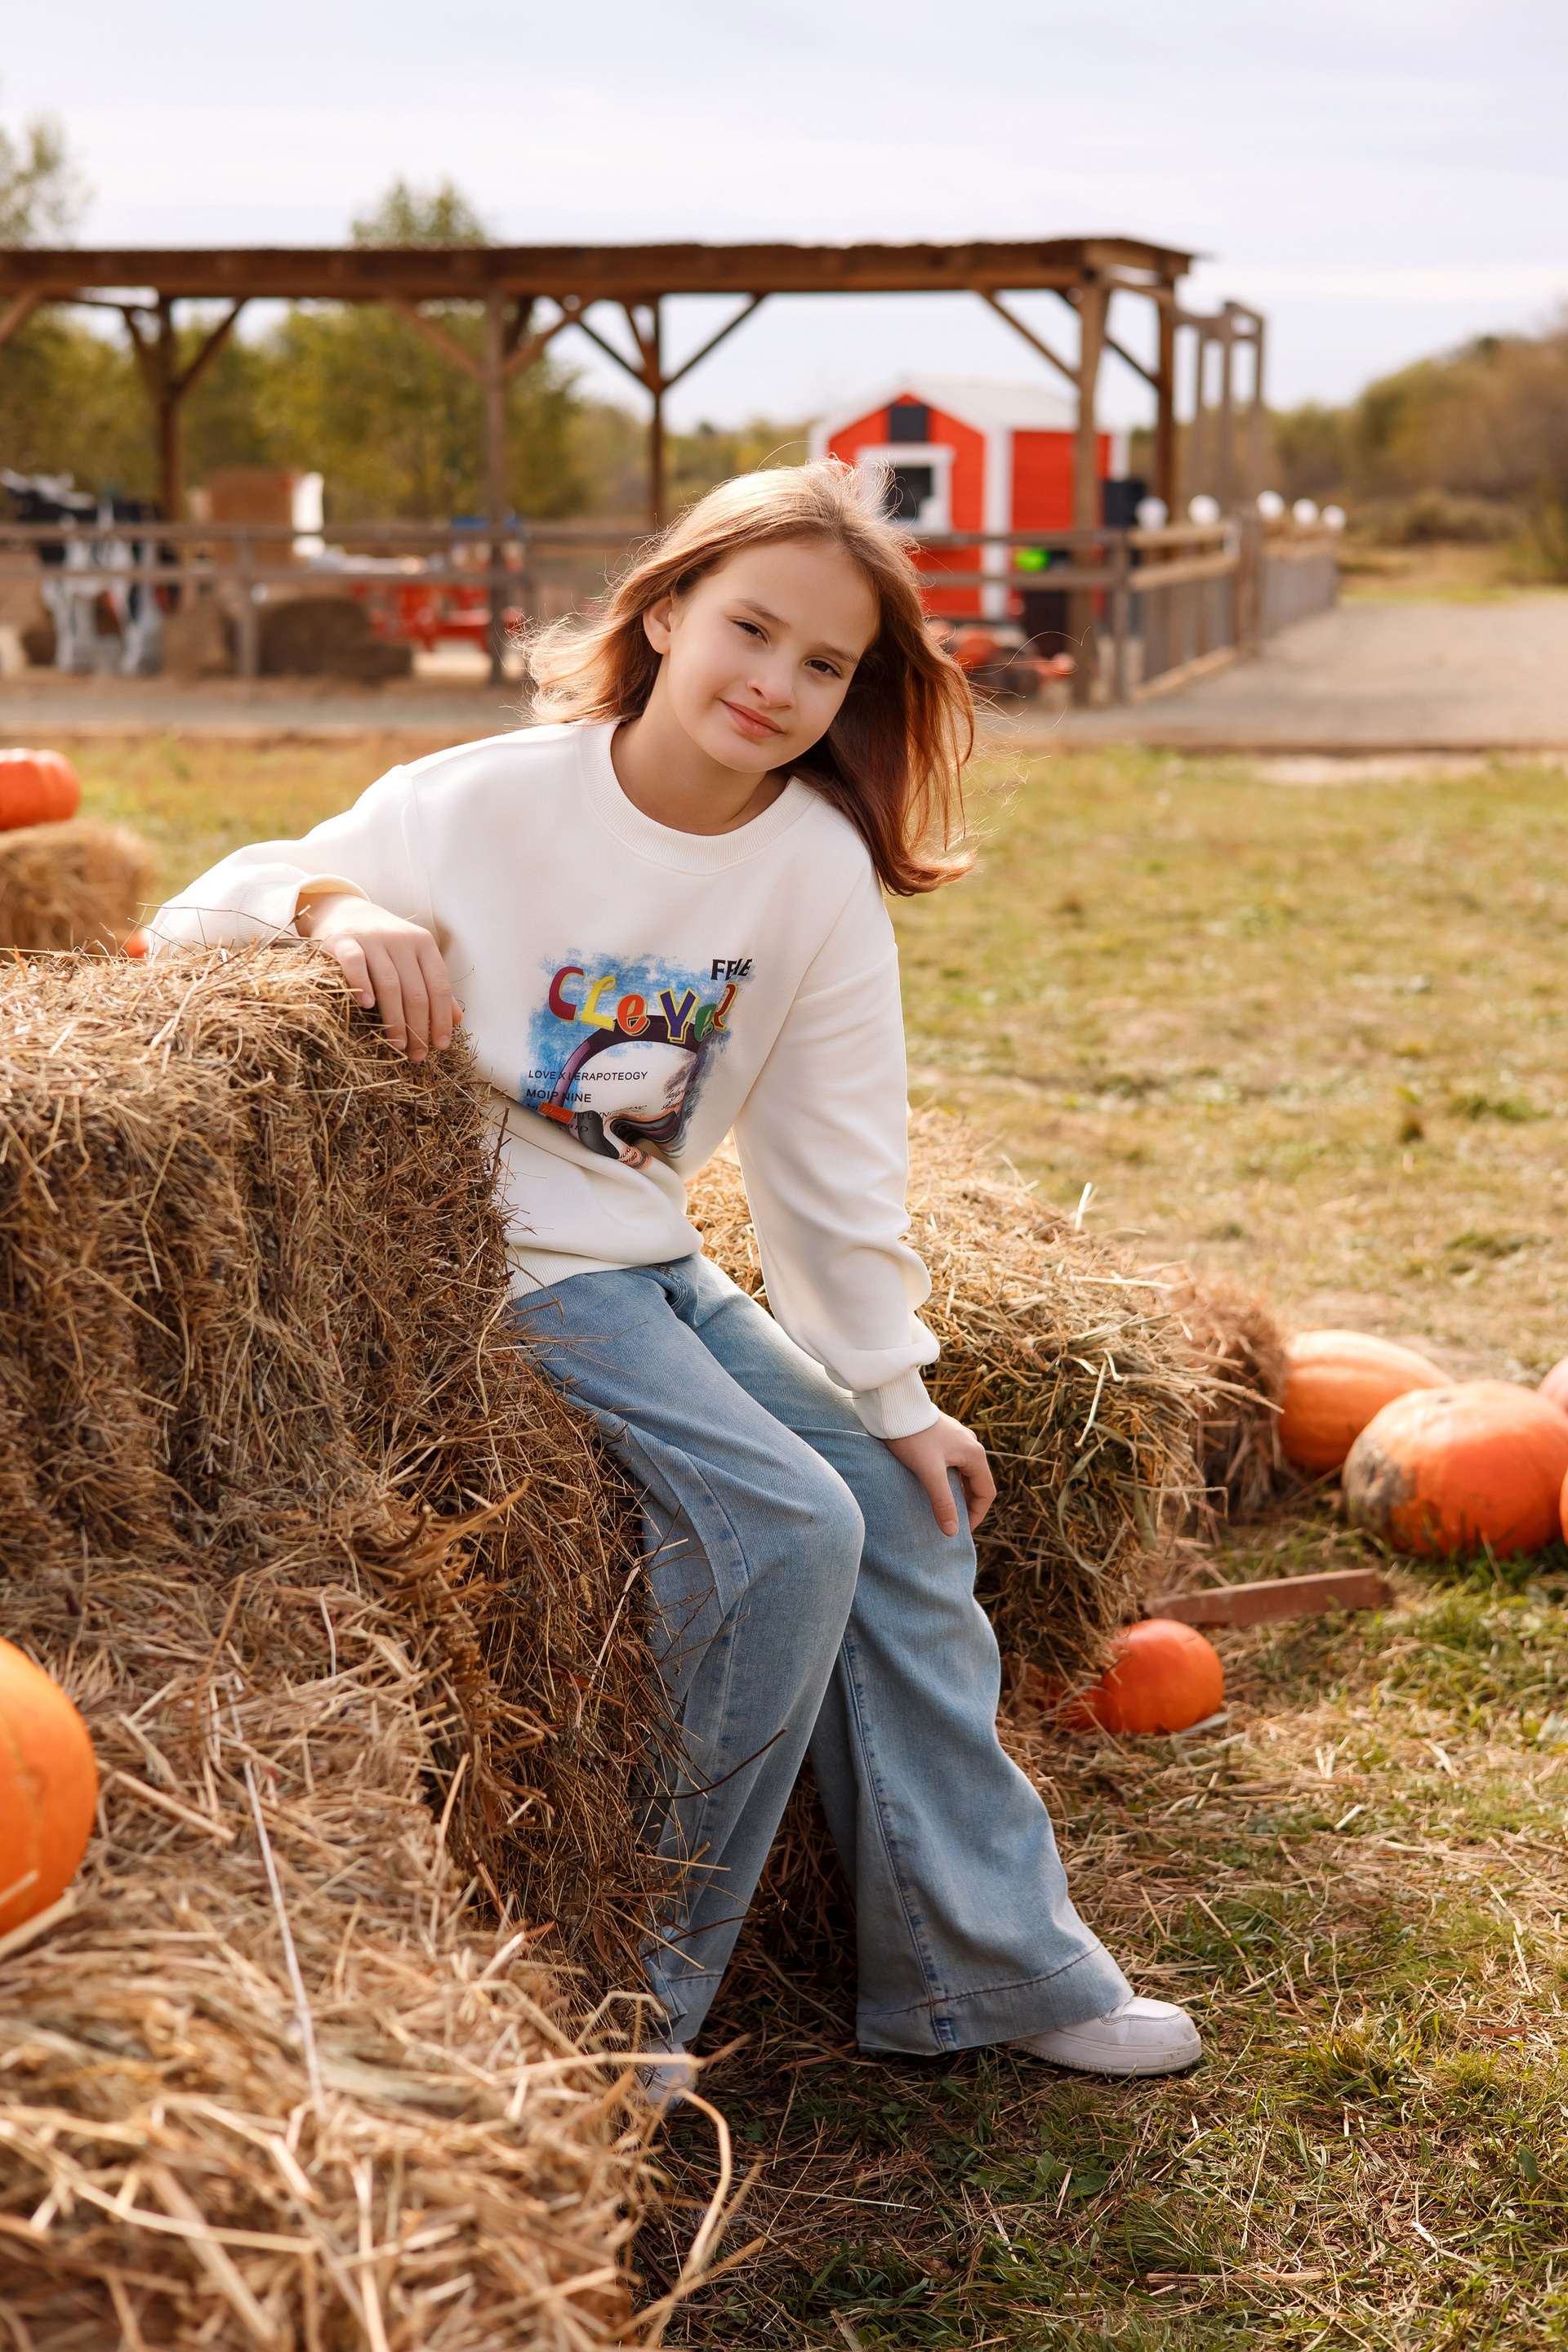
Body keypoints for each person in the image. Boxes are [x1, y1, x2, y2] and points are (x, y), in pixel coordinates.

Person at [152, 462, 1200, 2095]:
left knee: (900, 1505)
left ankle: (988, 1964)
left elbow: (831, 1160)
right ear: (663, 614)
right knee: (786, 1529)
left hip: (645, 1260)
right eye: (750, 629)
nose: (775, 682)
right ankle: (626, 2011)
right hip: (498, 1266)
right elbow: (185, 921)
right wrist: (330, 901)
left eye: (824, 663)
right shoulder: (482, 801)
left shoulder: (810, 870)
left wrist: (892, 1393)